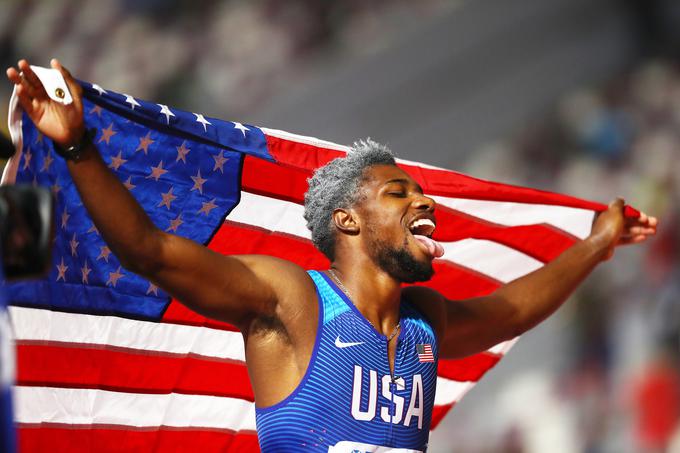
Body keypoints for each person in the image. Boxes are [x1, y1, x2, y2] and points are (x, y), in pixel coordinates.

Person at [6, 59, 657, 452]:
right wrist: (78, 147)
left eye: (422, 190)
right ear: (347, 219)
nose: (423, 200)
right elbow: (151, 253)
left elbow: (509, 309)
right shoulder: (293, 302)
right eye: (399, 191)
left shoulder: (425, 323)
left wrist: (597, 245)